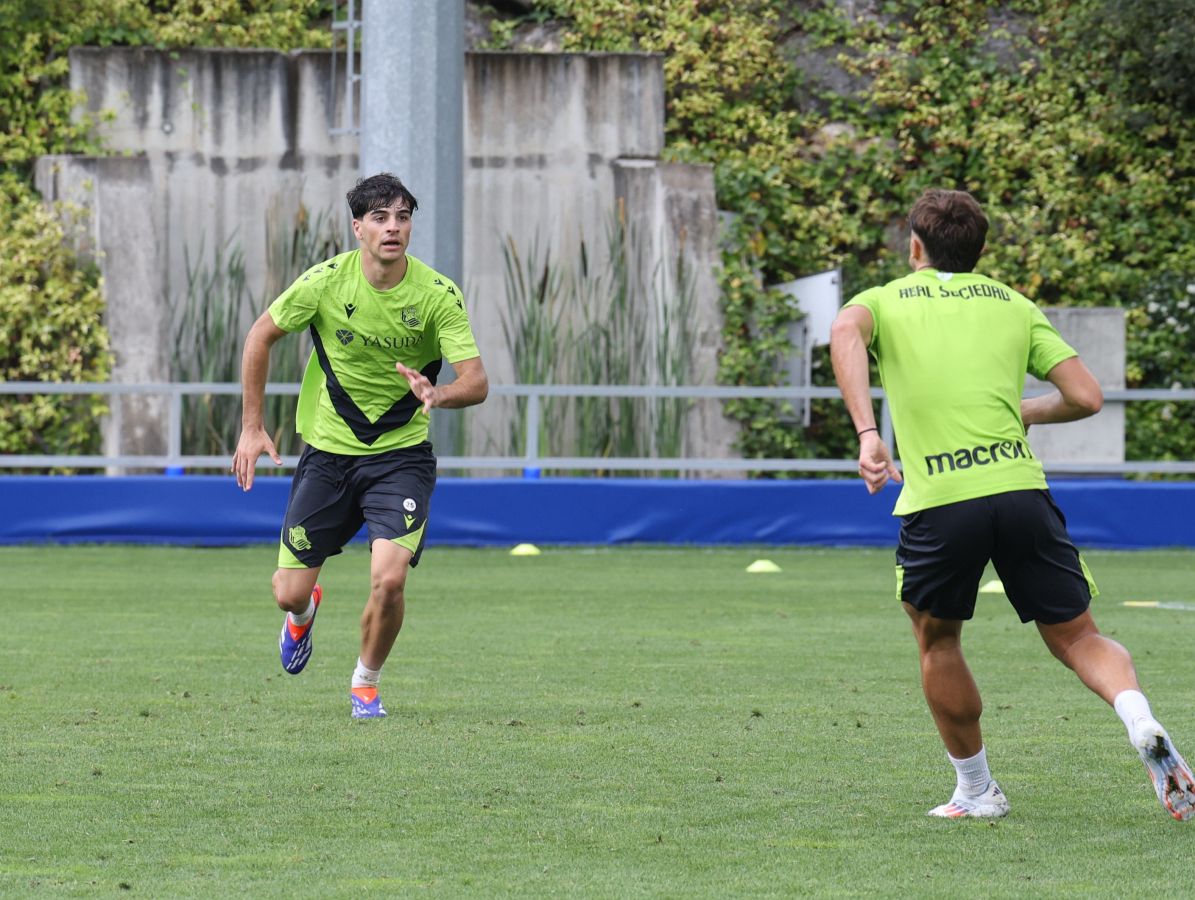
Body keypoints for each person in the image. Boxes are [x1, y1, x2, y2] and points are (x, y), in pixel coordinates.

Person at [830, 188, 1195, 821]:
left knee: (938, 642)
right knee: (1080, 635)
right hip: (1022, 491)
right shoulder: (1012, 302)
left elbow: (843, 332)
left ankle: (977, 791)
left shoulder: (883, 299)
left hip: (942, 500)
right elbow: (1085, 396)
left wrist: (868, 435)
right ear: (979, 249)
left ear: (914, 246)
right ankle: (1138, 716)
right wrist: (1021, 410)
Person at [231, 172, 488, 719]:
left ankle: (365, 684)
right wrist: (253, 427)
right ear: (358, 228)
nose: (392, 227)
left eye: (402, 217)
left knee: (389, 580)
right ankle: (303, 615)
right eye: (379, 217)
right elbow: (260, 336)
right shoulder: (324, 283)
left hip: (401, 456)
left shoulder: (438, 295)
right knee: (287, 592)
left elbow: (478, 382)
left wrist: (439, 394)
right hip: (328, 454)